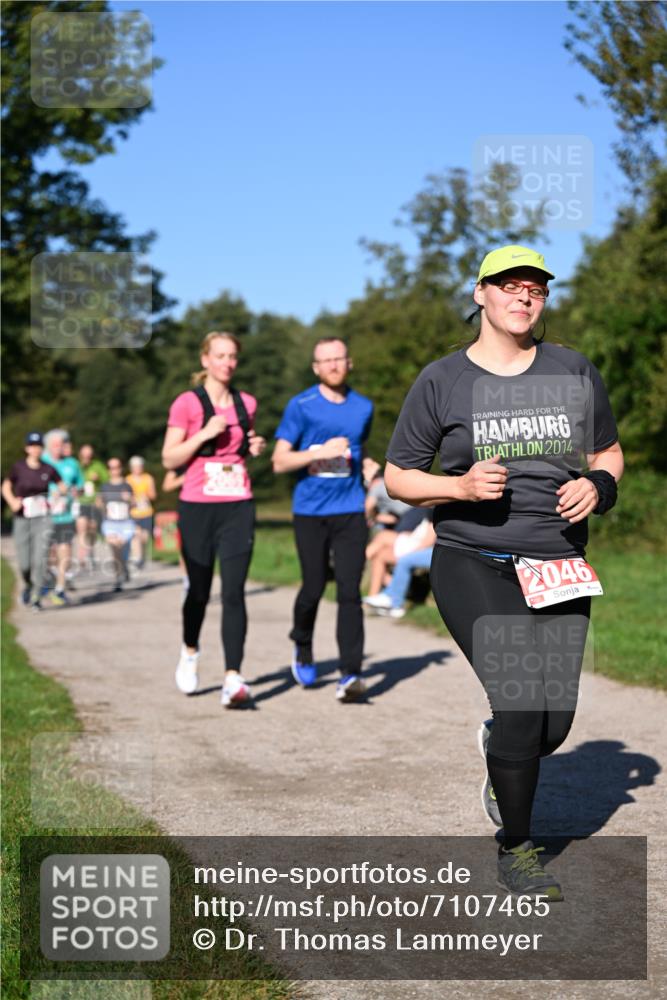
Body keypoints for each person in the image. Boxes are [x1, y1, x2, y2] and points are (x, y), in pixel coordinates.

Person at [384, 245, 623, 899]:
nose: (524, 297)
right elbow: (397, 476)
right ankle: (516, 850)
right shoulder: (443, 381)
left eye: (536, 289)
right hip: (474, 561)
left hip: (558, 564)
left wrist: (599, 486)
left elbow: (607, 451)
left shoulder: (573, 371)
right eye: (510, 286)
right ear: (480, 293)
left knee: (552, 724)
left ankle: (500, 751)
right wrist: (456, 490)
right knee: (521, 704)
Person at [162, 331, 266, 708]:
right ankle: (190, 650)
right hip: (196, 506)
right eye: (220, 355)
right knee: (200, 591)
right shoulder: (187, 404)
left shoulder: (246, 403)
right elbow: (169, 459)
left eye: (232, 356)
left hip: (238, 504)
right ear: (205, 359)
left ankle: (233, 678)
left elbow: (242, 446)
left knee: (234, 591)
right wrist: (204, 434)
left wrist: (253, 446)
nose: (227, 362)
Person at [272, 337, 374, 701]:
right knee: (313, 587)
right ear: (315, 367)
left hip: (350, 509)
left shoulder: (363, 407)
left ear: (350, 362)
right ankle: (301, 641)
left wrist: (367, 468)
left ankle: (350, 673)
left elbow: (357, 452)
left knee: (349, 592)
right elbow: (279, 461)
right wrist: (317, 452)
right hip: (310, 511)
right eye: (325, 360)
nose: (332, 365)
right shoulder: (301, 405)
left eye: (338, 359)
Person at [1, 432, 63, 611]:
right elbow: (5, 486)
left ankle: (36, 596)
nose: (35, 449)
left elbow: (61, 486)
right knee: (25, 563)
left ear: (42, 449)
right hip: (22, 518)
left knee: (40, 558)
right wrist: (12, 501)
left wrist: (58, 495)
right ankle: (27, 585)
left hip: (43, 518)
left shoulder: (48, 468)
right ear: (27, 448)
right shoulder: (18, 467)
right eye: (32, 446)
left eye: (38, 446)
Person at [41, 429, 85, 606]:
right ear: (48, 446)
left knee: (65, 550)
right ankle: (50, 578)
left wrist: (76, 491)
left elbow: (80, 485)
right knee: (47, 554)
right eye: (56, 444)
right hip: (45, 515)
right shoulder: (42, 461)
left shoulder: (72, 463)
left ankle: (60, 588)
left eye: (62, 444)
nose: (60, 447)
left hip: (65, 515)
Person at [363, 519, 436, 618]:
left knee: (404, 560)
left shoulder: (432, 513)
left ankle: (396, 604)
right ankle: (386, 595)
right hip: (419, 544)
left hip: (434, 550)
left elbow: (428, 541)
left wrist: (411, 553)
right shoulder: (428, 515)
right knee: (381, 553)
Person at [364, 507, 432, 597]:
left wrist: (410, 555)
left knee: (383, 536)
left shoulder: (433, 512)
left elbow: (427, 542)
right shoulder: (426, 511)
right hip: (412, 542)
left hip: (416, 549)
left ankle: (357, 565)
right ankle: (373, 596)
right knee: (379, 555)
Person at [98, 458, 135, 591]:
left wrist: (129, 500)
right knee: (115, 550)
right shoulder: (104, 486)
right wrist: (103, 506)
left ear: (121, 468)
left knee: (124, 551)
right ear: (108, 470)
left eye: (117, 467)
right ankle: (118, 578)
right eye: (111, 467)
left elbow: (134, 504)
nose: (115, 470)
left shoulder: (127, 485)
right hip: (110, 523)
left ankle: (124, 568)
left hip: (125, 523)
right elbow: (98, 503)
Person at [76, 444, 108, 568]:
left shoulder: (98, 466)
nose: (87, 458)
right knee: (82, 527)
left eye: (89, 456)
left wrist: (98, 479)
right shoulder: (76, 466)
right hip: (81, 502)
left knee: (92, 528)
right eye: (84, 455)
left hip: (95, 502)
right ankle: (82, 555)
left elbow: (107, 482)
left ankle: (90, 552)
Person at [126, 456, 157, 570]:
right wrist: (132, 499)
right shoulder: (128, 479)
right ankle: (136, 557)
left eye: (139, 466)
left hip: (146, 511)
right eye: (135, 466)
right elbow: (125, 497)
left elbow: (153, 495)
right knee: (136, 535)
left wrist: (145, 495)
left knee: (144, 537)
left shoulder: (148, 478)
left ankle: (142, 556)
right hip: (133, 512)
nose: (137, 469)